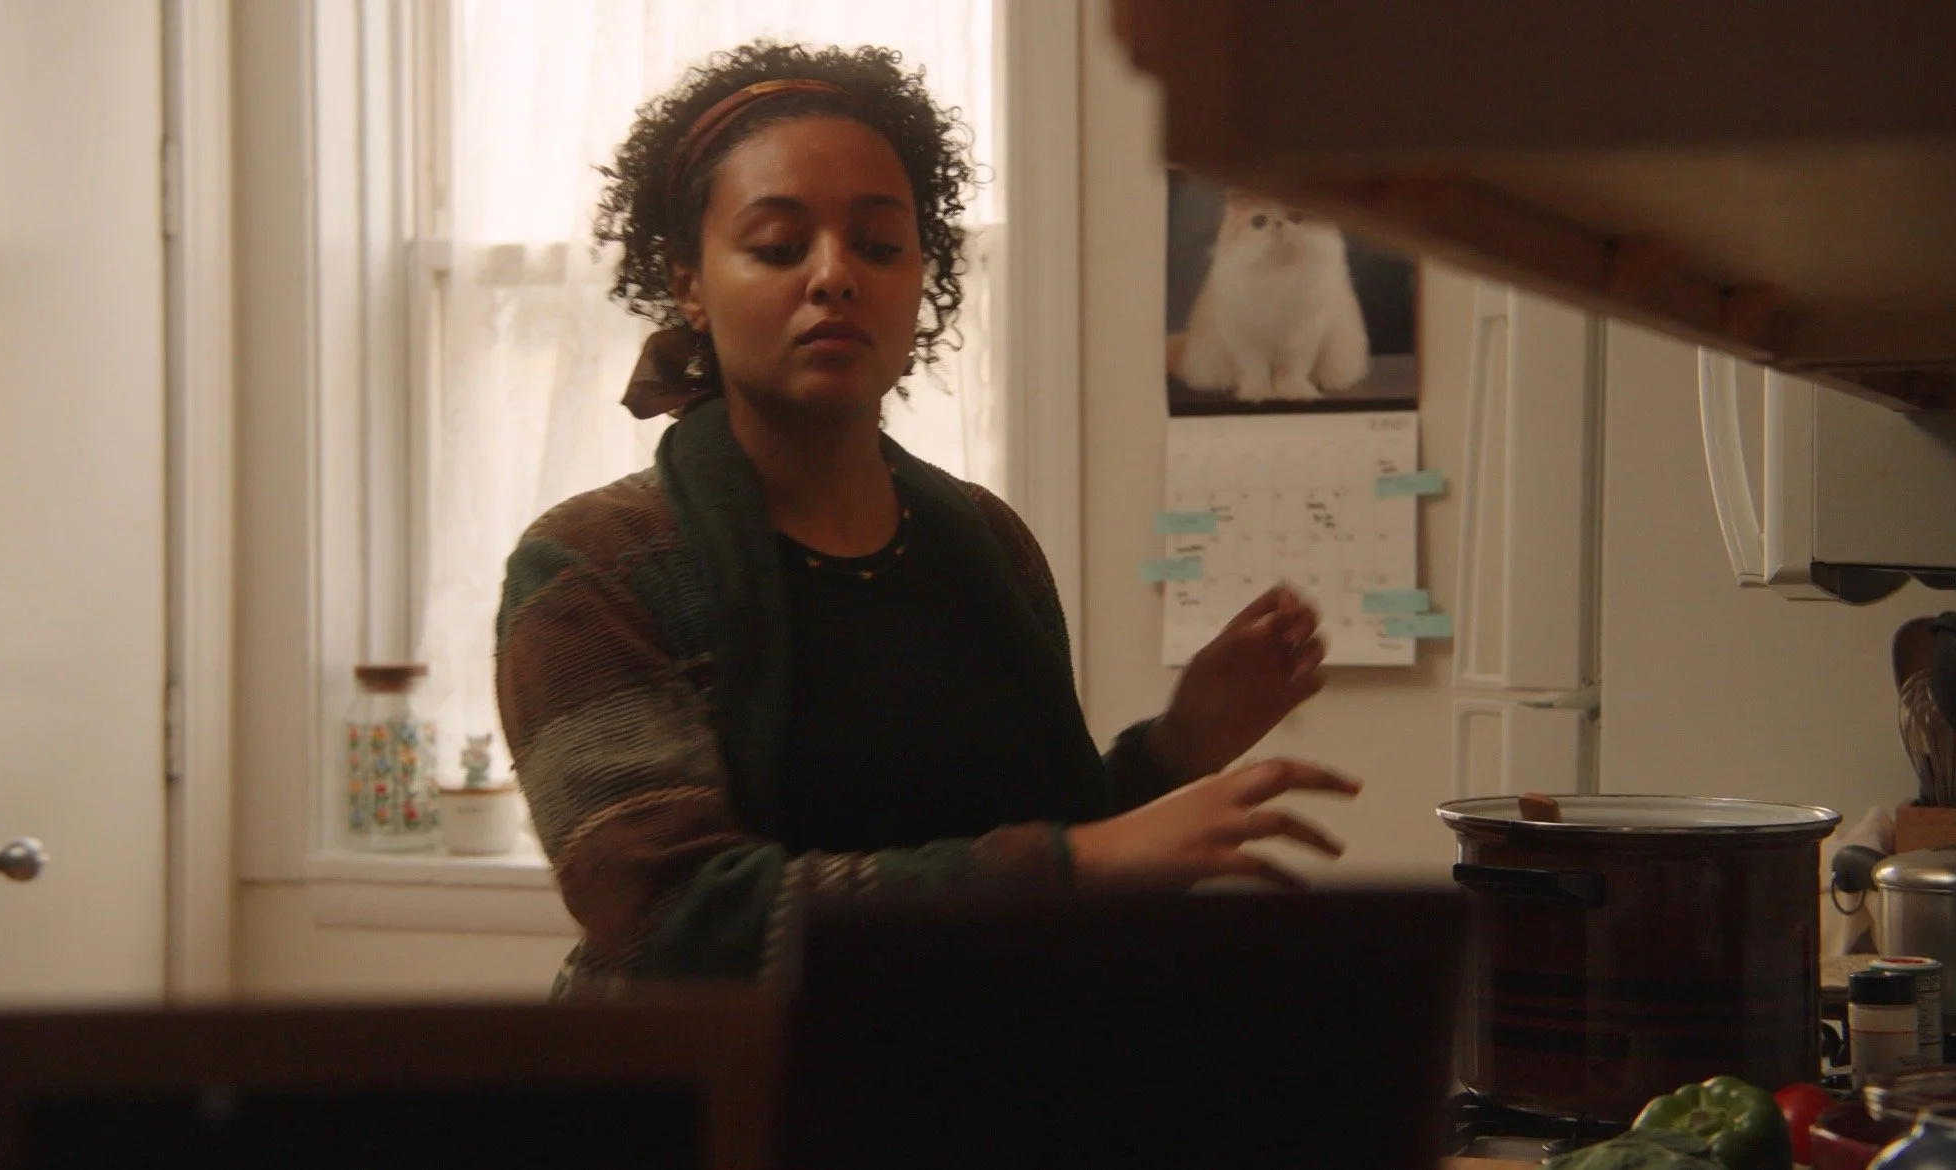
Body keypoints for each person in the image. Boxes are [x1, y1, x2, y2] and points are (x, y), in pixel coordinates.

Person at [494, 41, 1358, 994]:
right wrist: (1078, 863)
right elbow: (677, 923)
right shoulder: (590, 571)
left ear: (921, 279)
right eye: (778, 246)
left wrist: (1179, 746)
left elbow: (1060, 842)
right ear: (688, 281)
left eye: (879, 243)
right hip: (718, 1120)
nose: (835, 277)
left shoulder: (986, 542)